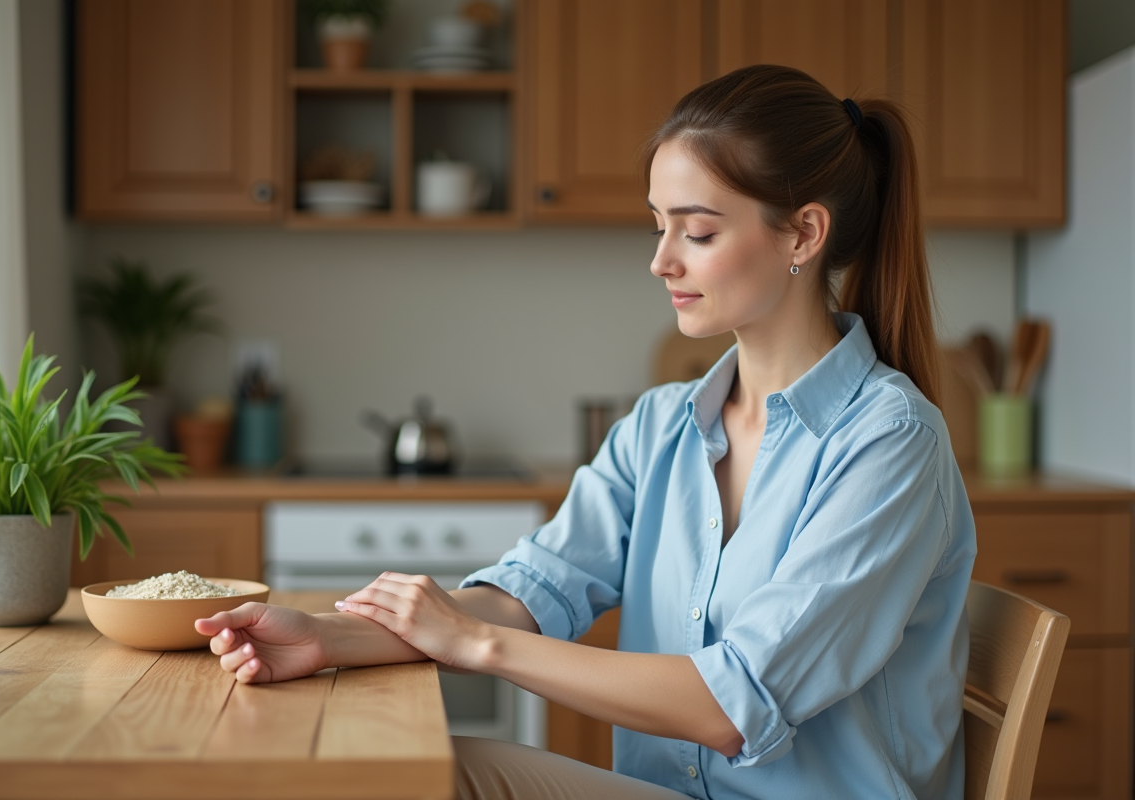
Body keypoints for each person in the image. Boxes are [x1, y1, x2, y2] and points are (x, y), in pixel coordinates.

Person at [196, 64, 976, 800]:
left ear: (803, 235)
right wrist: (327, 638)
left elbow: (733, 705)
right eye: (657, 227)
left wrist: (476, 647)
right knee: (409, 768)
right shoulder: (663, 427)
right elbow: (532, 595)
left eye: (697, 232)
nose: (661, 261)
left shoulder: (890, 442)